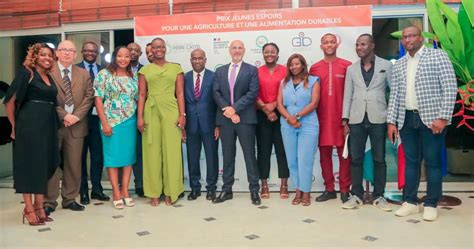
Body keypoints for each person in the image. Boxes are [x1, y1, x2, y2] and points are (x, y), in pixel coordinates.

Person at [387, 26, 457, 221]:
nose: (408, 39)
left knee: (433, 163)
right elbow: (395, 95)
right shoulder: (399, 64)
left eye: (412, 35)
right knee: (411, 162)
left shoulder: (438, 56)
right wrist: (391, 121)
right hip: (407, 119)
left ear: (421, 38)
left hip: (431, 119)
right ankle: (410, 202)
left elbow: (450, 88)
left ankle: (431, 203)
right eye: (404, 37)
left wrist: (443, 118)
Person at [4, 43, 60, 225]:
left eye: (50, 55)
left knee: (43, 165)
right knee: (29, 168)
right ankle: (28, 209)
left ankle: (39, 206)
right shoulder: (26, 73)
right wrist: (14, 127)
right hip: (29, 127)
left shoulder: (48, 76)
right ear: (35, 56)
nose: (47, 58)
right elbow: (9, 102)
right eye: (43, 54)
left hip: (48, 126)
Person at [341, 34, 392, 211]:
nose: (359, 47)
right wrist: (345, 120)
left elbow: (393, 92)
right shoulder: (351, 69)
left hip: (378, 117)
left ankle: (380, 195)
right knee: (356, 158)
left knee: (379, 158)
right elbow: (347, 94)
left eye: (363, 44)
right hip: (356, 118)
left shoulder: (386, 65)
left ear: (372, 45)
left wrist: (391, 118)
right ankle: (356, 195)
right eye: (357, 45)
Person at [44, 40, 94, 215]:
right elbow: (46, 99)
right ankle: (49, 201)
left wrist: (75, 117)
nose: (67, 53)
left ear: (75, 54)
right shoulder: (47, 72)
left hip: (77, 126)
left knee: (74, 164)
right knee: (52, 164)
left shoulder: (83, 74)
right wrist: (64, 115)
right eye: (64, 50)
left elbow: (89, 97)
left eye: (71, 50)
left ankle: (70, 199)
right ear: (57, 53)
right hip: (54, 125)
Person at [137, 37, 186, 206]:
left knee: (172, 152)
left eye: (161, 47)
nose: (158, 49)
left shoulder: (176, 68)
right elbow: (142, 94)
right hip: (151, 111)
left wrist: (182, 115)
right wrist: (140, 117)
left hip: (171, 110)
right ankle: (153, 192)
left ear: (165, 48)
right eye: (155, 47)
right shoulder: (145, 70)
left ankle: (171, 191)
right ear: (151, 51)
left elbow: (179, 93)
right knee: (152, 153)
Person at [212, 40, 261, 206]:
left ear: (244, 50)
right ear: (229, 50)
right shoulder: (220, 71)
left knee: (249, 155)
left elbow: (252, 93)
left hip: (245, 119)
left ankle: (254, 189)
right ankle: (227, 190)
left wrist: (235, 109)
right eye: (234, 47)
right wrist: (229, 110)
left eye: (240, 47)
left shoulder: (251, 70)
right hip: (225, 120)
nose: (237, 50)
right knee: (227, 156)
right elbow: (216, 93)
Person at [94, 46, 138, 209]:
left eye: (126, 56)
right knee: (112, 159)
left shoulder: (132, 75)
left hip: (130, 121)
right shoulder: (104, 74)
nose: (123, 59)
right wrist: (104, 122)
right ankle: (115, 192)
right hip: (111, 122)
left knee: (128, 158)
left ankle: (125, 190)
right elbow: (98, 99)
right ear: (114, 57)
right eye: (120, 56)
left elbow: (137, 98)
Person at [310, 33, 352, 203]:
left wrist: (348, 118)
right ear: (321, 46)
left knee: (345, 155)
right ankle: (329, 189)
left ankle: (344, 190)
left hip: (342, 118)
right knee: (324, 155)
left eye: (332, 42)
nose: (329, 45)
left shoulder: (347, 66)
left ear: (337, 44)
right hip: (321, 119)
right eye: (326, 42)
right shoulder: (314, 68)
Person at [277, 54, 320, 206]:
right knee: (292, 161)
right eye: (291, 64)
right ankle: (298, 190)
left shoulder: (313, 81)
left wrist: (297, 116)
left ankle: (306, 192)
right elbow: (279, 105)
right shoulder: (284, 82)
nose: (294, 67)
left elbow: (314, 103)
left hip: (308, 124)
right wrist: (290, 118)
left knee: (305, 160)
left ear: (303, 65)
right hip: (287, 124)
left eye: (297, 64)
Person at [183, 48, 219, 201]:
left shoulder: (214, 76)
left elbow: (219, 101)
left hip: (210, 125)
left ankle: (211, 188)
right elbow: (181, 102)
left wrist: (218, 125)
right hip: (191, 125)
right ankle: (195, 188)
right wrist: (182, 126)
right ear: (191, 60)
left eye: (200, 58)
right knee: (192, 158)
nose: (197, 61)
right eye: (194, 58)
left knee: (212, 157)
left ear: (205, 60)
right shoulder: (184, 77)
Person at [76, 41, 109, 205]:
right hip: (80, 119)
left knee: (97, 156)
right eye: (87, 50)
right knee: (80, 156)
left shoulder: (104, 70)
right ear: (82, 52)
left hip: (99, 119)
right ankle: (83, 191)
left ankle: (97, 189)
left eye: (93, 51)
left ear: (97, 53)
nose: (90, 53)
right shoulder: (75, 70)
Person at [256, 43, 289, 199]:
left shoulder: (285, 70)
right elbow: (253, 93)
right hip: (262, 114)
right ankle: (264, 185)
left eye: (272, 52)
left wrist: (274, 106)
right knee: (263, 151)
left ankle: (284, 184)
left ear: (277, 54)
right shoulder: (257, 72)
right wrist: (266, 109)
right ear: (263, 54)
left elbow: (288, 91)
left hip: (281, 113)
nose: (269, 54)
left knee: (282, 150)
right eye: (266, 52)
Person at [127, 42, 145, 197]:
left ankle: (140, 184)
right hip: (122, 118)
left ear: (140, 53)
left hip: (141, 116)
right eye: (130, 50)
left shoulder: (145, 70)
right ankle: (122, 186)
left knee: (139, 151)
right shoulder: (118, 70)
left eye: (136, 50)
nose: (133, 52)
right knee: (125, 151)